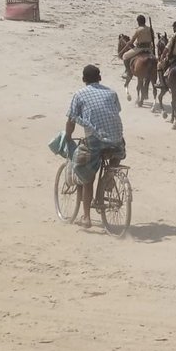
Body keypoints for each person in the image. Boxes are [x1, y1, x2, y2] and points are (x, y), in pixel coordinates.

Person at [65, 65, 126, 228]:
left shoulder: (79, 94)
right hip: (117, 140)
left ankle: (86, 217)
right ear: (100, 78)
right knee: (115, 153)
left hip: (95, 140)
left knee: (86, 174)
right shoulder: (111, 93)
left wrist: (68, 137)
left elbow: (71, 120)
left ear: (84, 79)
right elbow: (115, 112)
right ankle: (109, 177)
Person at [121, 15, 154, 81]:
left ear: (138, 22)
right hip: (149, 48)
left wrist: (128, 43)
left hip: (139, 48)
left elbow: (132, 41)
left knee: (125, 56)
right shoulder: (150, 29)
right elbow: (152, 38)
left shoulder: (138, 30)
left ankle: (128, 72)